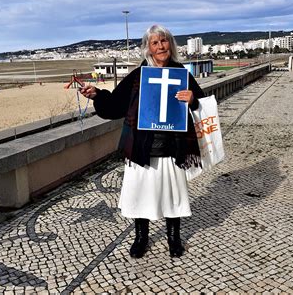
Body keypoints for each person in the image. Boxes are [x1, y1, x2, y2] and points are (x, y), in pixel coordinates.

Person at [79, 24, 204, 258]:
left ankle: (174, 239)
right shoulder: (139, 75)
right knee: (141, 194)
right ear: (148, 47)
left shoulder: (182, 74)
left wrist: (193, 99)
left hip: (172, 146)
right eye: (155, 43)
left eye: (164, 41)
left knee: (171, 195)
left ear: (171, 44)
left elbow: (204, 104)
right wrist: (97, 93)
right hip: (141, 146)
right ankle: (141, 238)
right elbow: (116, 105)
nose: (160, 46)